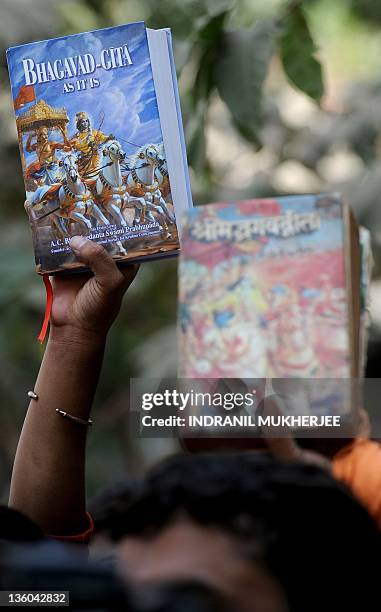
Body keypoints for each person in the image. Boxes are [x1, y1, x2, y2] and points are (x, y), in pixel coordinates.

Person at [6, 238, 381, 610]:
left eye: (187, 601)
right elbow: (34, 578)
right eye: (121, 595)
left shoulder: (362, 478)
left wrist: (320, 521)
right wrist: (74, 335)